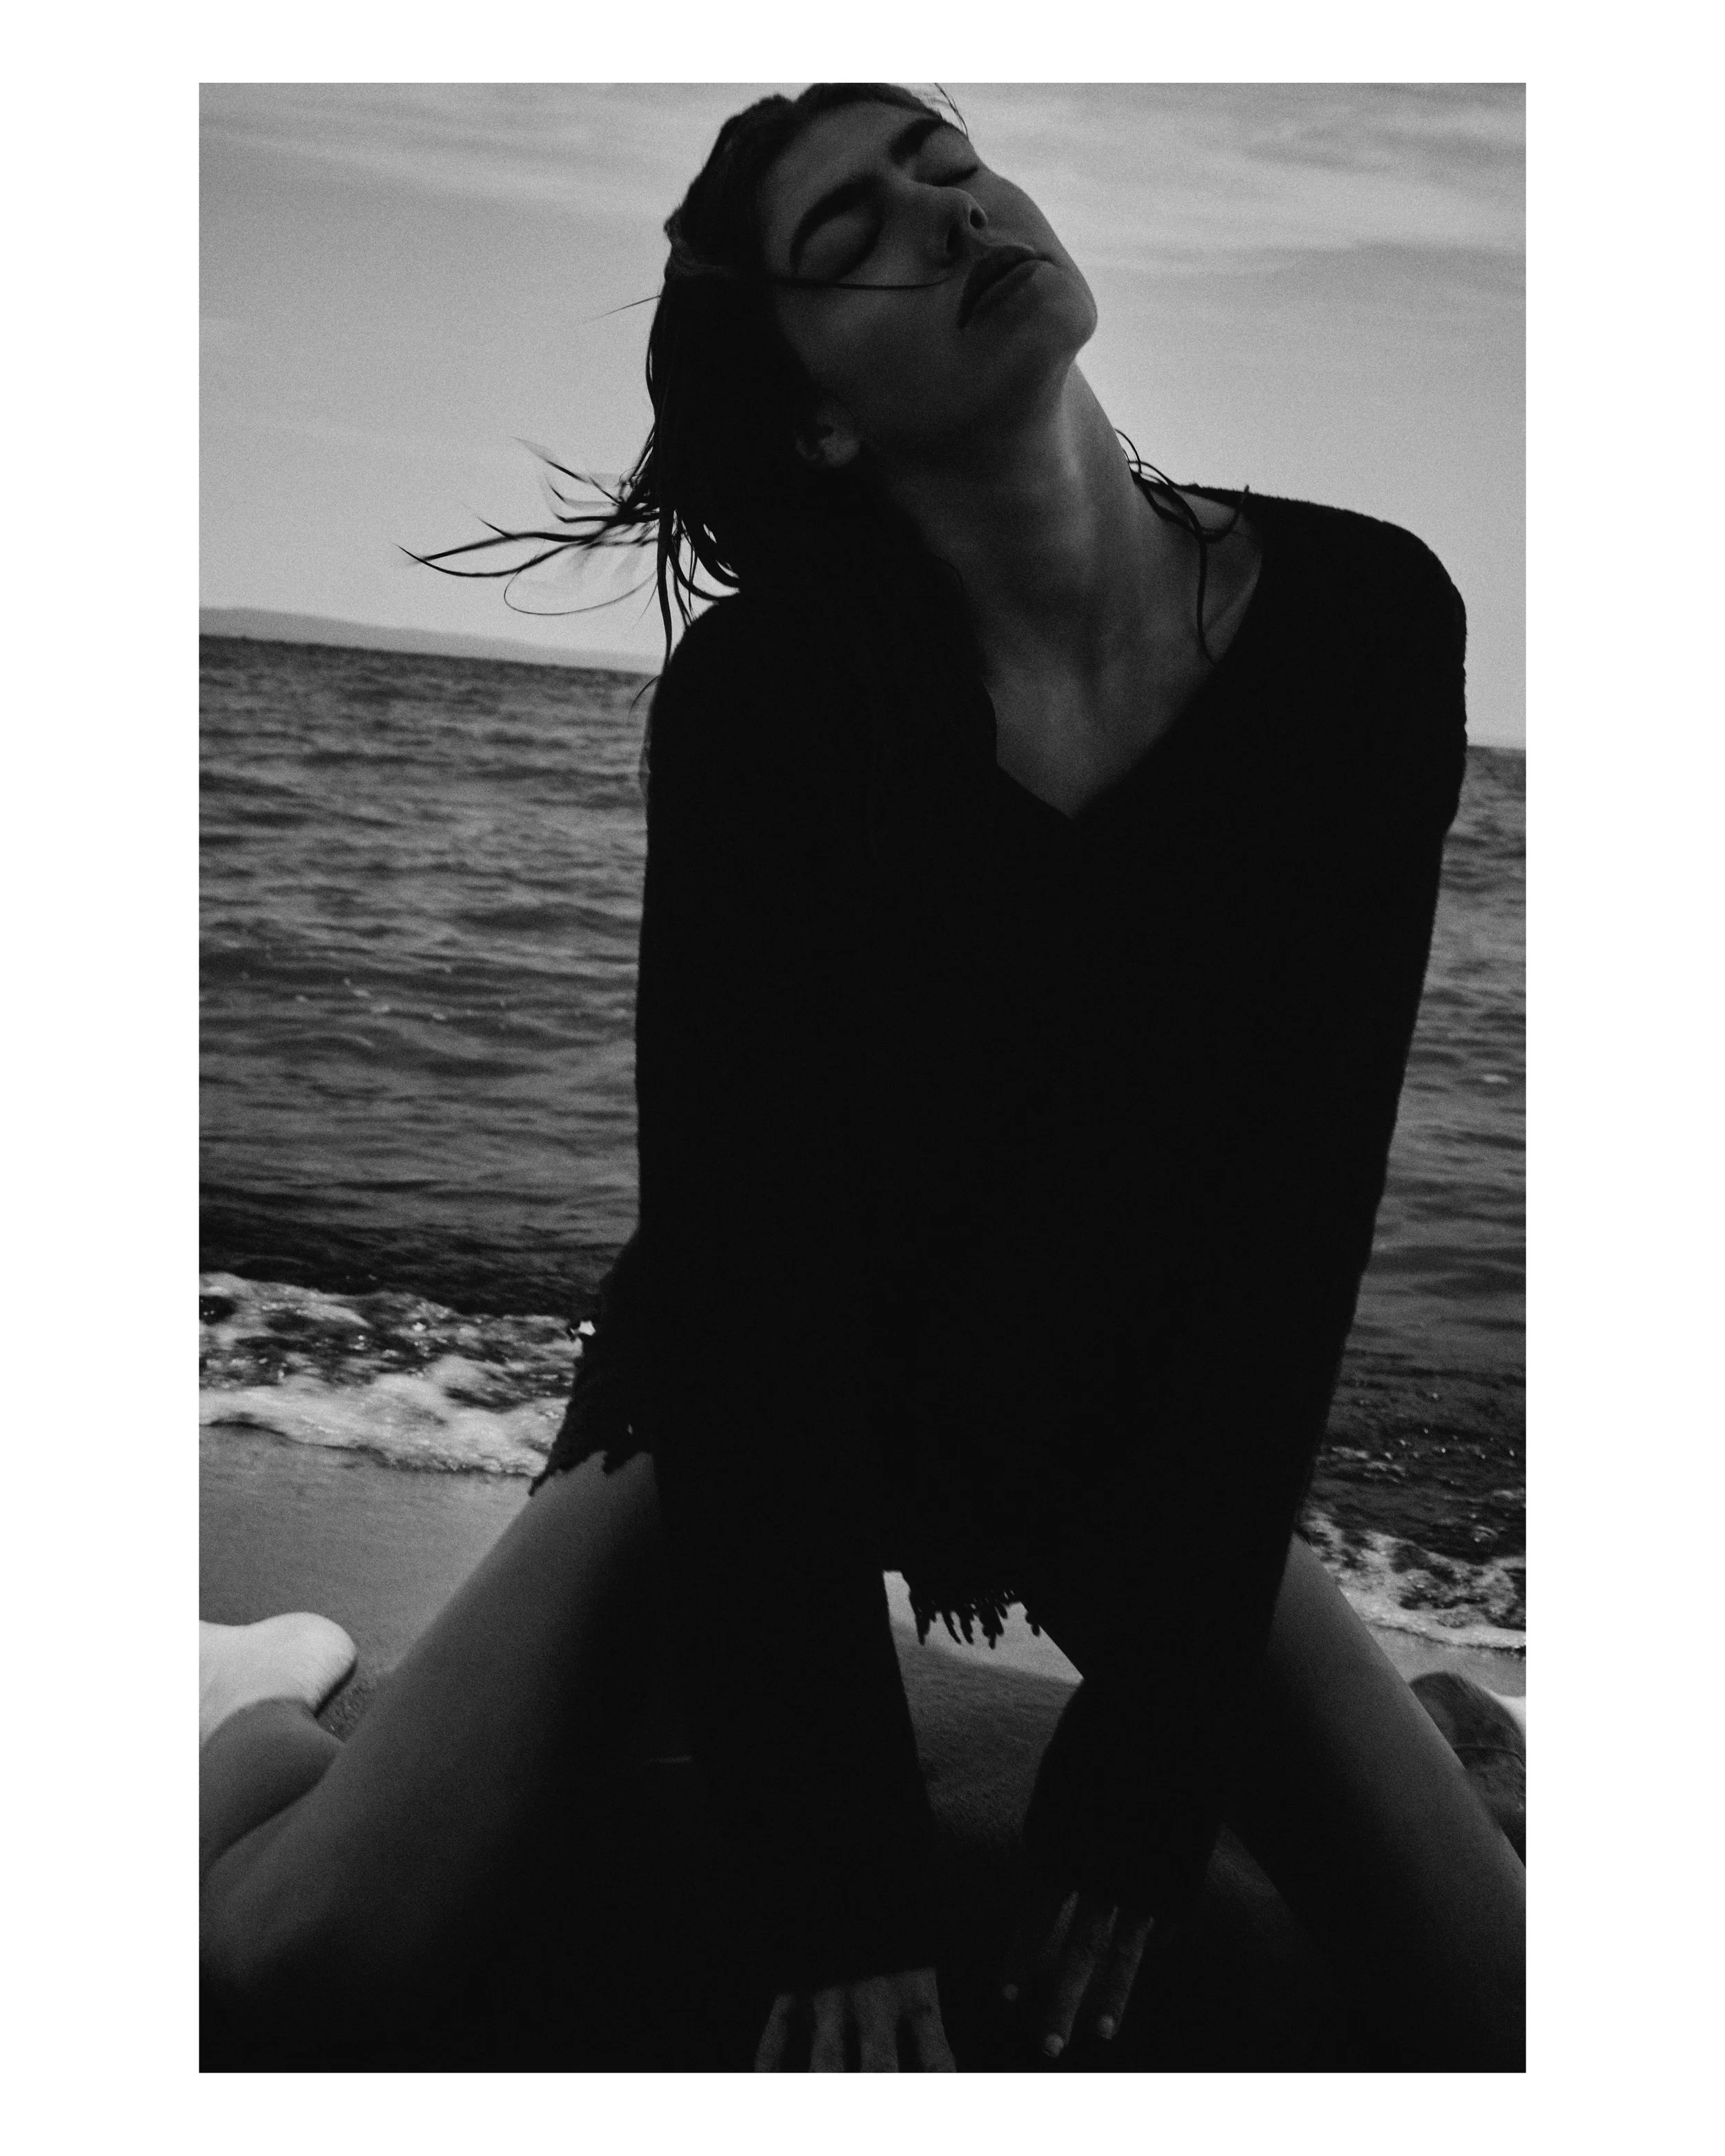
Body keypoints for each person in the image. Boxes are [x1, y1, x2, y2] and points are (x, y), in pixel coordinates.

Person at [199, 83, 1526, 2070]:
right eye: (854, 235)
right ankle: (281, 1714)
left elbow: (1293, 1203)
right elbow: (748, 1296)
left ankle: (1423, 1733)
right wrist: (834, 1870)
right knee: (296, 1976)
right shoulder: (769, 710)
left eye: (944, 158)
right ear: (813, 408)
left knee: (1503, 1999)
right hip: (756, 1414)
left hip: (1133, 1427)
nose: (950, 208)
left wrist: (1162, 1738)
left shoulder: (1358, 617)